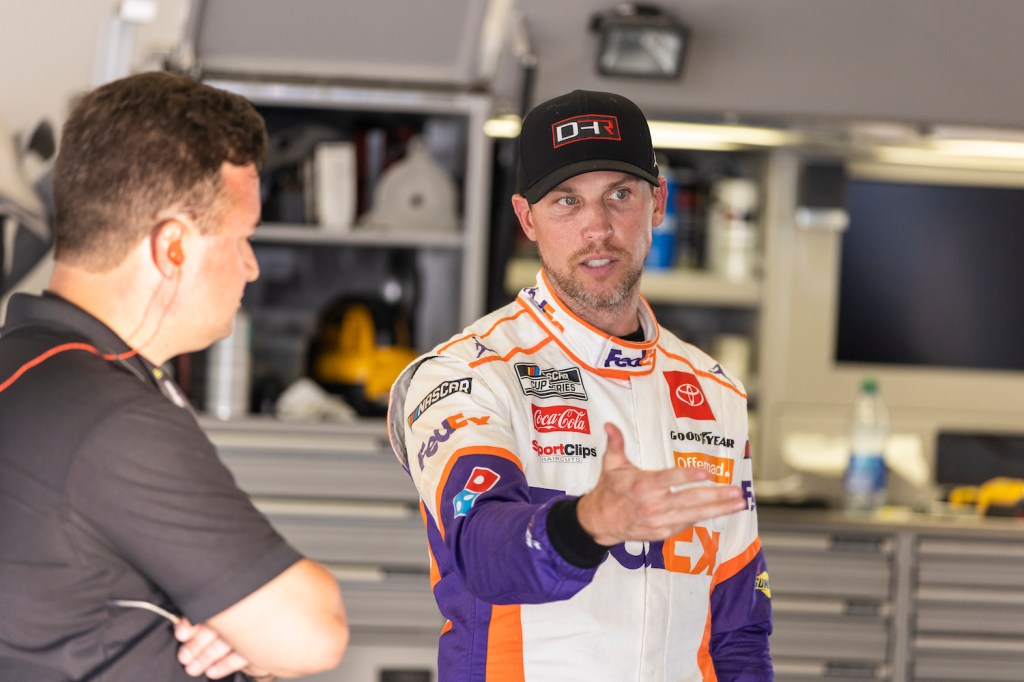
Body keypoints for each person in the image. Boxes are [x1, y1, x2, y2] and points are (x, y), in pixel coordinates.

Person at [386, 89, 772, 680]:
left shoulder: (716, 393)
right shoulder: (465, 373)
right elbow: (485, 555)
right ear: (527, 219)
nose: (599, 228)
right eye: (567, 201)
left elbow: (738, 628)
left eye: (620, 195)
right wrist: (590, 522)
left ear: (658, 203)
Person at [0, 71, 348, 680]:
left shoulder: (28, 365)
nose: (252, 267)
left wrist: (236, 624)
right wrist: (248, 632)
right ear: (174, 249)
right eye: (243, 237)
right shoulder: (108, 417)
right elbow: (310, 634)